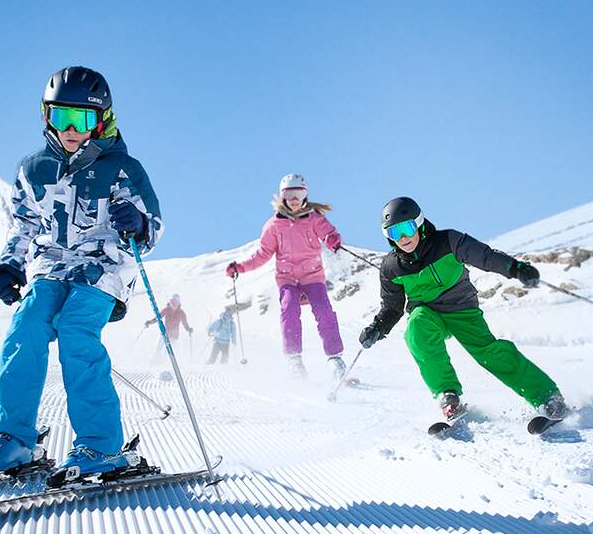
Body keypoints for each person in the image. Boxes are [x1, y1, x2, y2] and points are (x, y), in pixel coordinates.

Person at [0, 65, 163, 483]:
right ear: (45, 116)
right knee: (25, 327)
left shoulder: (122, 168)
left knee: (75, 332)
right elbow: (24, 226)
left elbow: (152, 231)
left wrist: (137, 223)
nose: (71, 129)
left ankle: (100, 447)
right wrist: (10, 264)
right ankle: (12, 438)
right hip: (51, 265)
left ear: (101, 119)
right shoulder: (33, 169)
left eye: (82, 119)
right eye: (61, 117)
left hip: (103, 269)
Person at [356, 197, 568, 426]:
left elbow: (485, 256)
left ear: (418, 223)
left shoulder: (448, 241)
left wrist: (515, 268)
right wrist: (378, 327)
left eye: (406, 228)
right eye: (394, 233)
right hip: (427, 312)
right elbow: (392, 306)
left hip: (461, 309)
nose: (403, 238)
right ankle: (447, 396)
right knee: (416, 330)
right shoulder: (391, 267)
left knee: (489, 352)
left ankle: (547, 397)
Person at [226, 173, 347, 378]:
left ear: (305, 195)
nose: (294, 199)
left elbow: (328, 232)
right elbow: (262, 254)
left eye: (298, 194)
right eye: (289, 194)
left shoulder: (314, 218)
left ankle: (335, 358)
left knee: (324, 311)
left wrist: (332, 239)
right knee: (288, 309)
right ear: (282, 197)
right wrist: (241, 267)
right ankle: (294, 359)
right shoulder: (273, 226)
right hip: (288, 278)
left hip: (312, 276)